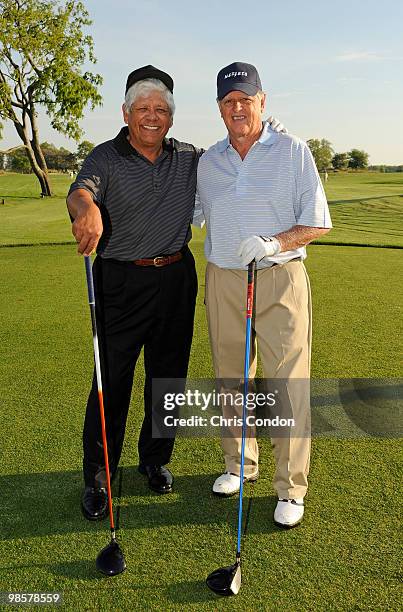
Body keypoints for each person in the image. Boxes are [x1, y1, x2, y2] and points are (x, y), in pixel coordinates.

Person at [194, 62, 332, 528]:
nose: (237, 108)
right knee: (231, 376)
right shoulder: (209, 161)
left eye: (245, 99)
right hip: (225, 278)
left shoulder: (293, 151)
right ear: (219, 107)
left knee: (287, 382)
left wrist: (275, 242)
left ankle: (291, 489)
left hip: (279, 277)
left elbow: (317, 221)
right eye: (228, 101)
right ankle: (239, 465)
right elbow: (189, 213)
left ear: (262, 100)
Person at [67, 65, 201, 520]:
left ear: (171, 117)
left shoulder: (188, 158)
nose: (151, 116)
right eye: (142, 108)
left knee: (169, 379)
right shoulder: (105, 157)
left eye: (160, 109)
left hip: (176, 277)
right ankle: (99, 478)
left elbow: (236, 155)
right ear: (126, 112)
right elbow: (81, 191)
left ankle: (155, 460)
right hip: (121, 281)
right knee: (112, 382)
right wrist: (86, 209)